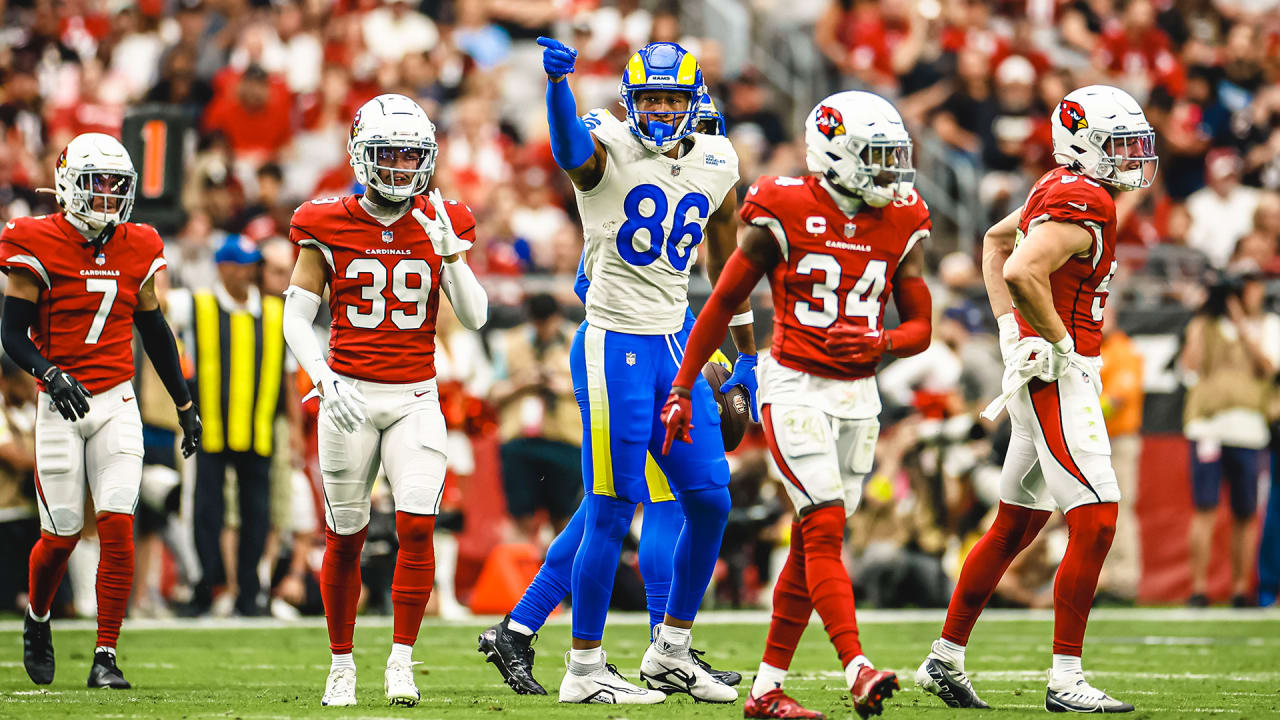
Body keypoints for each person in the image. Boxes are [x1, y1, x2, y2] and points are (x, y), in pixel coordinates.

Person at [662, 90, 931, 719]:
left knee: (816, 540)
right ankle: (857, 667)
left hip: (858, 396)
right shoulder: (781, 206)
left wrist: (883, 340)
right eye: (878, 157)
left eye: (896, 157)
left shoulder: (904, 217)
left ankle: (765, 691)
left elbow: (921, 327)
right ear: (835, 155)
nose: (893, 173)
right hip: (793, 387)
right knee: (827, 528)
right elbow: (724, 301)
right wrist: (683, 385)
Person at [506, 37, 755, 705]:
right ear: (629, 100)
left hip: (676, 344)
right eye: (649, 97)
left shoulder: (717, 157)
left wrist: (745, 352)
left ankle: (670, 649)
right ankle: (583, 670)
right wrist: (559, 88)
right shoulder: (606, 142)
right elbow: (571, 155)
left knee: (709, 497)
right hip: (615, 343)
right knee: (613, 508)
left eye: (673, 97)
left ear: (693, 102)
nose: (661, 109)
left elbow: (727, 264)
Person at [915, 85, 1157, 713]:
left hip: (1044, 370)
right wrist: (1051, 339)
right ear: (1083, 144)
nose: (1131, 157)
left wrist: (1007, 331)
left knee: (1016, 524)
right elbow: (1020, 268)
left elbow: (998, 244)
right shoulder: (1083, 196)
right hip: (1059, 374)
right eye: (1119, 145)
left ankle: (944, 658)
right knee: (1098, 517)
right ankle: (1066, 679)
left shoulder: (1061, 186)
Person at [282, 93, 488, 708]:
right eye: (388, 155)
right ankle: (341, 664)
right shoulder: (324, 219)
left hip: (415, 396)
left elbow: (475, 317)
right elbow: (297, 314)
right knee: (345, 534)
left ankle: (401, 659)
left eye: (410, 156)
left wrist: (449, 249)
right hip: (348, 391)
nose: (400, 168)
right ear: (360, 155)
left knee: (418, 526)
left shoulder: (443, 216)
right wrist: (321, 375)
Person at [0, 133, 201, 689]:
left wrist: (184, 403)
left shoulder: (138, 244)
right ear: (67, 184)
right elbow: (11, 333)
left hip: (116, 400)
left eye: (117, 186)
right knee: (61, 536)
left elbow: (153, 328)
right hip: (59, 402)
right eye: (96, 183)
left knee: (117, 527)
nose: (108, 196)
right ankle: (37, 619)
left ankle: (105, 655)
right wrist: (49, 372)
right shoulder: (35, 239)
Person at [1179, 268, 1278, 607]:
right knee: (1204, 507)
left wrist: (1239, 323)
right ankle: (1198, 588)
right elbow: (1189, 366)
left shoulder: (1269, 326)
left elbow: (1268, 367)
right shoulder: (1204, 325)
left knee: (1245, 512)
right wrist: (1201, 313)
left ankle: (1239, 588)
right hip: (1208, 427)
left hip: (1249, 429)